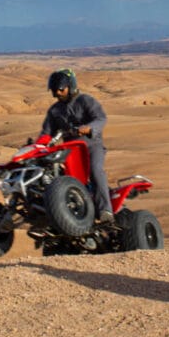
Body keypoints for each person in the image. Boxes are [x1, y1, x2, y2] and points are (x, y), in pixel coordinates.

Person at [39, 69, 113, 224]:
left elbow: (101, 118)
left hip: (91, 146)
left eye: (61, 89)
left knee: (95, 170)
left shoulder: (86, 101)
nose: (58, 93)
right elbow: (46, 132)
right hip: (69, 151)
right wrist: (39, 144)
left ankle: (106, 209)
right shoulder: (54, 110)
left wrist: (89, 128)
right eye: (54, 90)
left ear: (70, 86)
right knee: (54, 176)